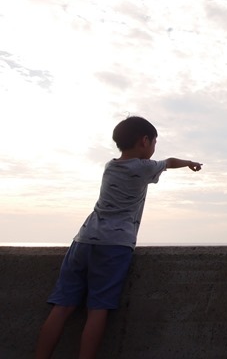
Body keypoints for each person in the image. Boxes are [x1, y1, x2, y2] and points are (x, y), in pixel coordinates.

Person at [35, 116, 202, 359]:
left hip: (83, 240)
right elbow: (168, 162)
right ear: (144, 141)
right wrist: (189, 163)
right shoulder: (143, 168)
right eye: (154, 142)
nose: (154, 147)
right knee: (97, 310)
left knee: (62, 308)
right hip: (114, 246)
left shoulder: (110, 166)